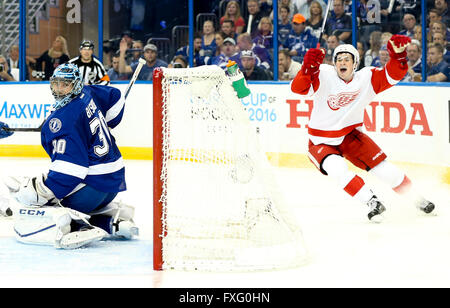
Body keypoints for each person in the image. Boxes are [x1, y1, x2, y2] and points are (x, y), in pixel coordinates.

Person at [289, 35, 436, 222]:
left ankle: (416, 198)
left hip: (350, 135)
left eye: (346, 59)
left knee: (383, 169)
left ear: (355, 63)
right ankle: (372, 202)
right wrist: (307, 69)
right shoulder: (323, 74)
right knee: (337, 169)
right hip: (321, 141)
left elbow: (392, 76)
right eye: (338, 59)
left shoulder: (366, 78)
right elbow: (298, 89)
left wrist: (398, 58)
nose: (342, 62)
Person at [5, 63, 138, 248]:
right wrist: (102, 123)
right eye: (56, 83)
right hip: (112, 184)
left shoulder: (63, 120)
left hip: (91, 190)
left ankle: (78, 226)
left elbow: (71, 171)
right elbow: (114, 97)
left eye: (65, 84)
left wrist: (43, 191)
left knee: (40, 201)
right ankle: (107, 222)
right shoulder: (87, 92)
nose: (59, 89)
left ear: (75, 85)